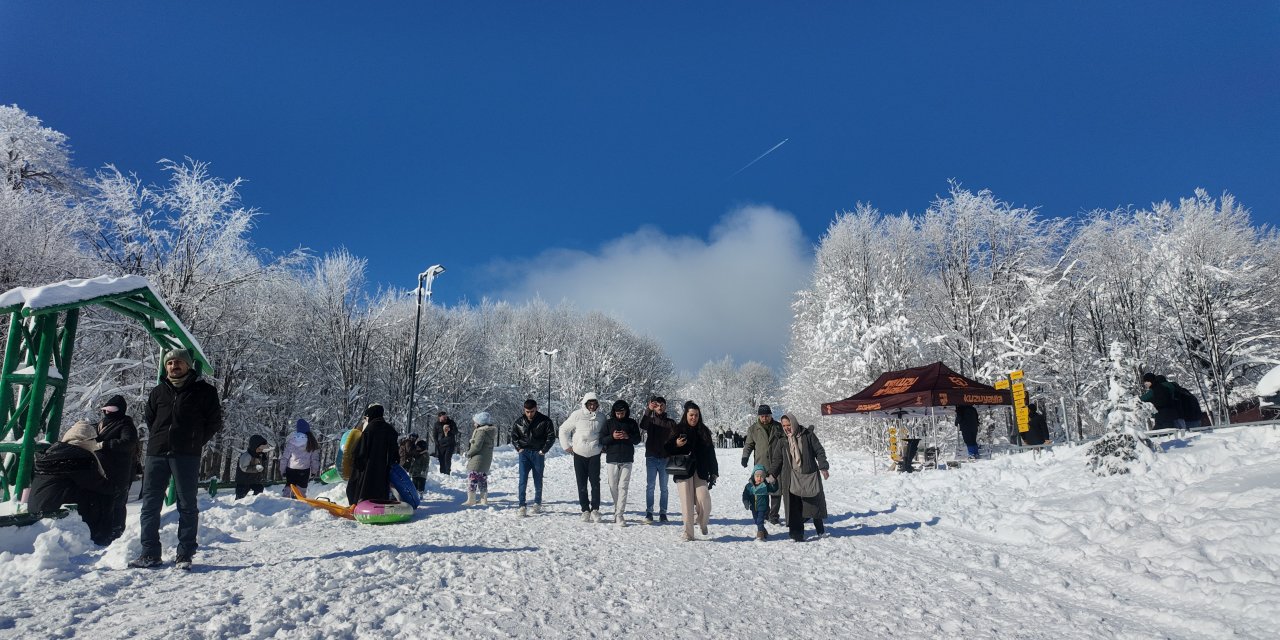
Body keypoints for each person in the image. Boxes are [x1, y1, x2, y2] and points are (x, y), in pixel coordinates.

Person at [131, 348, 222, 570]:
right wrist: (160, 439)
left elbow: (214, 422)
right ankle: (150, 553)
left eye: (179, 362)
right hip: (157, 453)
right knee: (150, 505)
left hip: (186, 455)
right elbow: (151, 419)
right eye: (170, 362)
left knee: (187, 505)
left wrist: (194, 441)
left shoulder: (204, 391)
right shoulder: (158, 392)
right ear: (165, 367)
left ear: (188, 365)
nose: (174, 366)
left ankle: (185, 554)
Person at [28, 421, 114, 544]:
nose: (95, 444)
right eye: (93, 440)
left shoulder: (54, 452)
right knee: (102, 496)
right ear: (86, 440)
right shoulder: (78, 457)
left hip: (37, 507)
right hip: (54, 511)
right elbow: (99, 484)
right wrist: (117, 489)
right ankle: (99, 537)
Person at [767, 414, 830, 542]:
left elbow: (819, 451)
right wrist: (772, 474)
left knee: (813, 502)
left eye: (788, 425)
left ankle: (820, 530)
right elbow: (777, 460)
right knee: (794, 506)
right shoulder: (782, 440)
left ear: (794, 423)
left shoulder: (807, 435)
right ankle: (797, 534)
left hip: (809, 475)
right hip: (791, 477)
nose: (786, 428)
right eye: (784, 426)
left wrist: (823, 466)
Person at [665, 400, 718, 542]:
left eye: (696, 415)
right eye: (691, 415)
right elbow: (666, 448)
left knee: (704, 499)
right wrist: (676, 444)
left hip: (700, 469)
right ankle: (688, 533)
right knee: (687, 503)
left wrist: (714, 471)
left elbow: (711, 453)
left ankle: (702, 522)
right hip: (683, 470)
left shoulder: (704, 431)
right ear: (686, 415)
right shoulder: (678, 429)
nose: (694, 418)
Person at [95, 394, 138, 543]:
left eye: (111, 409)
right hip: (102, 470)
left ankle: (117, 531)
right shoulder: (100, 424)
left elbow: (128, 442)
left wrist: (106, 444)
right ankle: (102, 529)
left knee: (118, 502)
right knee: (103, 501)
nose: (108, 412)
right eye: (106, 409)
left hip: (120, 470)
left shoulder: (125, 424)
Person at [559, 392, 606, 522]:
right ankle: (585, 510)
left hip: (595, 454)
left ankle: (595, 509)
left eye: (594, 403)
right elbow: (563, 429)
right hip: (579, 454)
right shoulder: (577, 415)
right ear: (585, 404)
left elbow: (606, 433)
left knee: (595, 482)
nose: (592, 406)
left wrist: (604, 446)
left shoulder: (602, 417)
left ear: (597, 404)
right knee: (581, 482)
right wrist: (566, 446)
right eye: (589, 403)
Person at [346, 403, 400, 506]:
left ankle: (360, 505)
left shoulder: (369, 429)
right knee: (380, 490)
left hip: (368, 468)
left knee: (362, 487)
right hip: (384, 468)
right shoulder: (390, 429)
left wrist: (356, 463)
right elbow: (394, 451)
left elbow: (361, 451)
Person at [599, 399, 641, 527]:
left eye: (622, 413)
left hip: (627, 458)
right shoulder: (608, 423)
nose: (619, 415)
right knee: (613, 486)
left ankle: (619, 514)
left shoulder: (632, 423)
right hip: (612, 458)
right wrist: (613, 437)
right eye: (617, 413)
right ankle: (617, 510)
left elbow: (638, 440)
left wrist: (628, 436)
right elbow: (602, 440)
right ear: (614, 412)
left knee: (623, 486)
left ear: (626, 411)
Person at [511, 399, 555, 517]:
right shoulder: (519, 422)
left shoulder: (545, 421)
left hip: (538, 454)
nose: (530, 414)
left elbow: (551, 436)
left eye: (532, 411)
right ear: (524, 410)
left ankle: (537, 502)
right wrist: (518, 448)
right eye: (527, 411)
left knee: (538, 479)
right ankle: (521, 505)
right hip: (524, 453)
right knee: (522, 479)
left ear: (537, 408)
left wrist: (543, 450)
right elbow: (514, 436)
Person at [741, 404, 783, 524]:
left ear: (771, 415)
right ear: (759, 416)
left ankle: (774, 515)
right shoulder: (753, 429)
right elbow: (748, 444)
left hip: (777, 463)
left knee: (776, 490)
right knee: (762, 490)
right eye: (762, 416)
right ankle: (765, 513)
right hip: (761, 465)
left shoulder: (778, 427)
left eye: (767, 416)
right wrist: (745, 457)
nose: (765, 418)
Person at [638, 395, 675, 524]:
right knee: (650, 486)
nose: (659, 407)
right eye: (657, 405)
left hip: (665, 458)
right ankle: (649, 513)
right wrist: (648, 410)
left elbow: (674, 440)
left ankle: (663, 513)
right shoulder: (651, 420)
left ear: (665, 407)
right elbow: (642, 425)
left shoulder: (670, 422)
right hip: (652, 457)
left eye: (662, 405)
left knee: (664, 488)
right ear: (654, 407)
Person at [463, 412, 498, 506]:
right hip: (486, 460)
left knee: (472, 478)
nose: (474, 424)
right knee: (482, 479)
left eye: (475, 422)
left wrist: (468, 453)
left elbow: (477, 446)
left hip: (477, 460)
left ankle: (471, 499)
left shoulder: (481, 432)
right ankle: (484, 499)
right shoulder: (489, 431)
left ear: (480, 423)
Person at [280, 419, 321, 498]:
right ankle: (300, 503)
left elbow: (285, 457)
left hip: (291, 469)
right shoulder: (311, 442)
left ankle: (286, 500)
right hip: (304, 470)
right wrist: (314, 471)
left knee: (289, 486)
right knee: (301, 488)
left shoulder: (292, 441)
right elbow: (314, 459)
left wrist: (283, 470)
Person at [742, 464, 778, 540]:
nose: (759, 478)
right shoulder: (749, 486)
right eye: (757, 476)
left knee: (759, 520)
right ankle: (763, 530)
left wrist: (773, 482)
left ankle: (760, 534)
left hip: (763, 507)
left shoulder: (766, 485)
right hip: (753, 507)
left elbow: (774, 489)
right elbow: (745, 495)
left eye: (761, 476)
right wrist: (746, 501)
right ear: (753, 476)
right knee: (756, 520)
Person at [235, 434, 271, 499]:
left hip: (254, 480)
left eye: (261, 449)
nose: (261, 451)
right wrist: (256, 468)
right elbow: (244, 468)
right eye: (259, 449)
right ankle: (237, 505)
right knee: (241, 495)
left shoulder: (258, 455)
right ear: (254, 446)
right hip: (243, 480)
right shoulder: (246, 456)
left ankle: (256, 502)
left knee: (259, 488)